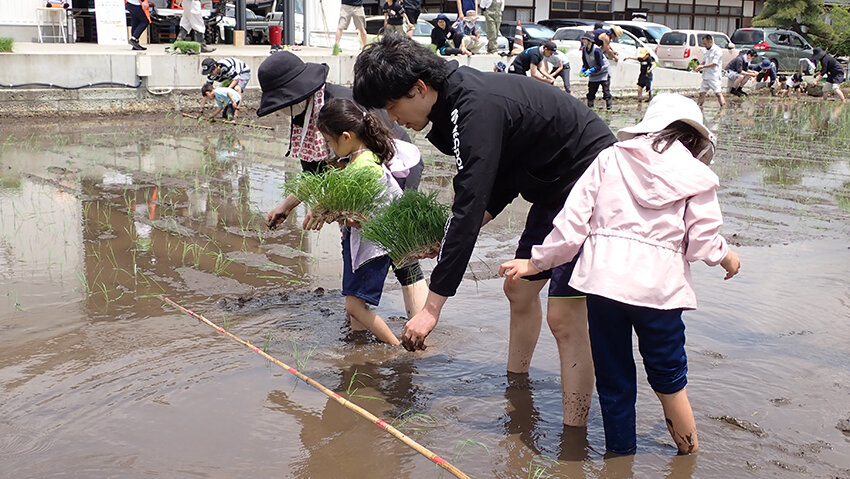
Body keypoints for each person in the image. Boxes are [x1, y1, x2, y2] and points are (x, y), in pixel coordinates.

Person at [353, 35, 618, 427]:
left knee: (564, 316)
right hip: (554, 188)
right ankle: (517, 384)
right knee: (519, 287)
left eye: (393, 107)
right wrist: (448, 235)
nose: (393, 121)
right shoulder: (451, 107)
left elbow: (469, 202)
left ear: (419, 88)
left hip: (592, 183)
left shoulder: (473, 106)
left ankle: (574, 431)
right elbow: (503, 171)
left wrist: (431, 309)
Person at [500, 93, 741, 455]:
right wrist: (727, 258)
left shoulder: (610, 158)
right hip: (660, 295)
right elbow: (702, 243)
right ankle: (687, 456)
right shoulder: (698, 176)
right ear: (694, 140)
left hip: (603, 288)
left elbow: (571, 226)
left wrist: (535, 263)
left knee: (614, 382)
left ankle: (619, 460)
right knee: (670, 382)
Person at [256, 51, 428, 319]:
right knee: (353, 242)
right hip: (355, 180)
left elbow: (368, 163)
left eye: (284, 102)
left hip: (394, 168)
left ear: (298, 92)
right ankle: (357, 318)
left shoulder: (341, 105)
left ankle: (421, 328)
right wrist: (287, 207)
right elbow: (316, 174)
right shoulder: (302, 119)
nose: (283, 110)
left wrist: (331, 206)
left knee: (401, 249)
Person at [302, 98, 406, 345]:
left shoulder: (364, 168)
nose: (328, 147)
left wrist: (327, 210)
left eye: (329, 141)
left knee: (354, 306)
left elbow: (360, 212)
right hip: (360, 242)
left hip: (372, 248)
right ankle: (358, 343)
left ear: (346, 137)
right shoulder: (360, 160)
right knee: (355, 300)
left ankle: (397, 348)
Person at [580, 33, 612, 110]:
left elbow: (599, 65)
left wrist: (591, 70)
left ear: (590, 41)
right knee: (591, 92)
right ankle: (590, 108)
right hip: (594, 74)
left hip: (603, 72)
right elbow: (585, 62)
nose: (583, 41)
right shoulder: (584, 49)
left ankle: (609, 108)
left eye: (585, 39)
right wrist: (584, 69)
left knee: (606, 92)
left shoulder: (596, 50)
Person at [695, 35, 725, 108]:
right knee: (702, 93)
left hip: (714, 76)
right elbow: (704, 61)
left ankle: (723, 107)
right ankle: (698, 107)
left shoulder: (717, 50)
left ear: (710, 41)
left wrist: (702, 66)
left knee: (718, 93)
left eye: (705, 44)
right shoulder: (706, 50)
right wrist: (699, 66)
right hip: (706, 76)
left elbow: (714, 63)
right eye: (703, 44)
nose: (704, 45)